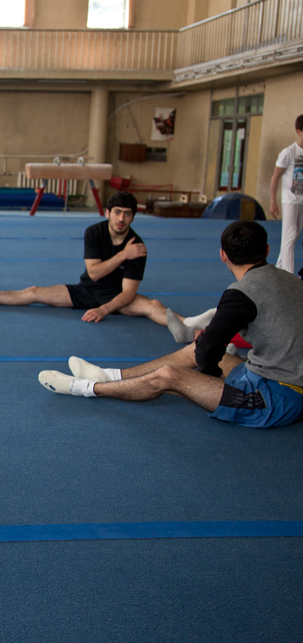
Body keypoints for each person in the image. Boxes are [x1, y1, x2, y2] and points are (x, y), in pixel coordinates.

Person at [38, 221, 303, 429]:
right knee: (195, 347)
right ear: (268, 250)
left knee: (169, 376)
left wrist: (205, 376)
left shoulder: (242, 293)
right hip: (271, 377)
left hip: (274, 400)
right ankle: (110, 375)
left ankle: (85, 389)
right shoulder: (292, 280)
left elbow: (210, 350)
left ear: (223, 255)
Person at [0, 191, 188, 336]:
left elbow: (128, 294)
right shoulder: (94, 232)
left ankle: (194, 329)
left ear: (133, 217)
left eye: (127, 214)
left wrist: (104, 309)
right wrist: (122, 255)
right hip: (86, 290)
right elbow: (94, 273)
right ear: (107, 212)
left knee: (152, 305)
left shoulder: (138, 247)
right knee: (33, 292)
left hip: (115, 297)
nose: (121, 219)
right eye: (117, 212)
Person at [269, 114, 303, 274]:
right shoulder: (288, 152)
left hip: (302, 201)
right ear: (299, 131)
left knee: (295, 237)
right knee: (289, 238)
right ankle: (288, 275)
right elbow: (275, 177)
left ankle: (278, 270)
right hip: (290, 201)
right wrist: (272, 201)